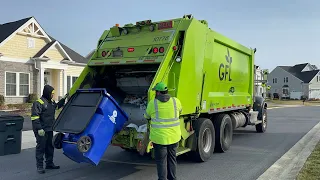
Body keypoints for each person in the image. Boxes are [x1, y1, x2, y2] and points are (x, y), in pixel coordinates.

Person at [144, 82, 182, 180]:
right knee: (172, 159)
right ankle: (173, 178)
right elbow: (180, 111)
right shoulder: (176, 101)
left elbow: (147, 116)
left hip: (160, 139)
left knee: (161, 162)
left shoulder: (153, 103)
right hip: (174, 137)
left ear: (158, 93)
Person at [31, 85, 67, 174]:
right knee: (41, 148)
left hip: (49, 129)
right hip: (41, 130)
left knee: (50, 147)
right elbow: (35, 117)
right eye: (52, 93)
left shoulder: (51, 102)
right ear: (47, 93)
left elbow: (57, 107)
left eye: (53, 94)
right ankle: (39, 166)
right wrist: (39, 128)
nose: (53, 95)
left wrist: (63, 99)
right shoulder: (38, 103)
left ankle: (49, 164)